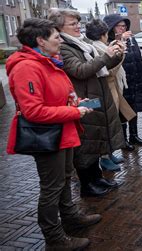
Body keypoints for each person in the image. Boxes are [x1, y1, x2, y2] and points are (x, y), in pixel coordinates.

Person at [6, 18, 101, 250]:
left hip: (63, 130)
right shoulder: (27, 67)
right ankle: (54, 238)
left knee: (65, 179)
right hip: (48, 135)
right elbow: (33, 111)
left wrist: (77, 102)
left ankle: (70, 218)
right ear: (40, 41)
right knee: (52, 188)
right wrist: (73, 111)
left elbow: (56, 96)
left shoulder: (47, 61)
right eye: (56, 37)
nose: (60, 40)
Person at [49, 9, 125, 197]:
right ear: (60, 27)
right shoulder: (65, 47)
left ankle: (97, 177)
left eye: (77, 22)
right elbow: (81, 70)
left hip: (95, 98)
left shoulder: (83, 44)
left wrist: (116, 55)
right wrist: (105, 56)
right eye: (72, 23)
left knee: (97, 137)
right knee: (86, 143)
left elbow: (101, 67)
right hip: (84, 100)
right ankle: (87, 184)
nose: (77, 26)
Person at [87, 19, 136, 172]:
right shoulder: (98, 49)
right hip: (105, 89)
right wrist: (120, 55)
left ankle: (108, 154)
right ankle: (104, 157)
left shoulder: (102, 46)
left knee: (111, 119)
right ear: (104, 34)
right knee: (104, 122)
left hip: (112, 87)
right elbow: (109, 70)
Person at [104, 14, 142, 149]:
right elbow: (112, 62)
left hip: (134, 80)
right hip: (120, 82)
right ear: (112, 28)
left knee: (134, 109)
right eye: (119, 26)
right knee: (123, 111)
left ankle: (133, 135)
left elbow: (137, 59)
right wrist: (121, 41)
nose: (123, 28)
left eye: (124, 26)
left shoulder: (131, 40)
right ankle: (123, 140)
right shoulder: (109, 43)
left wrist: (141, 77)